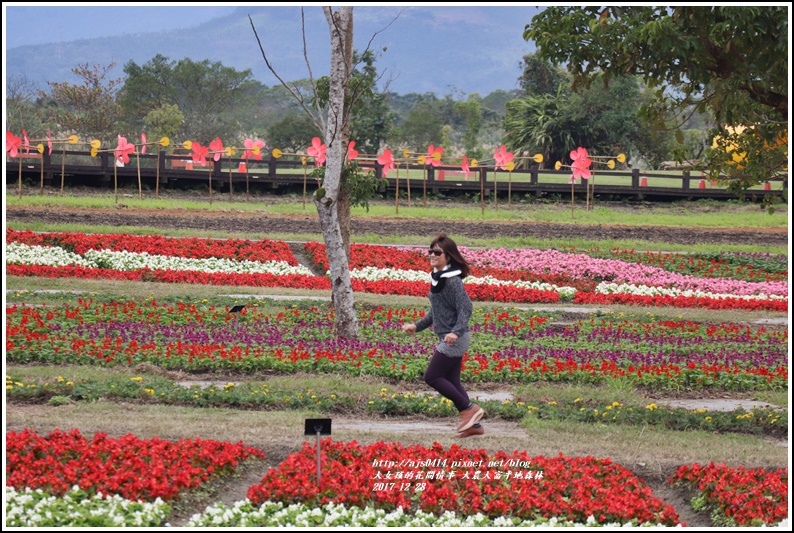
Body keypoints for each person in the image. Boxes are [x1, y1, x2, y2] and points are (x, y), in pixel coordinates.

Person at [401, 233, 485, 438]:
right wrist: (417, 326)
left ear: (448, 256)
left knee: (432, 376)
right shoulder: (438, 278)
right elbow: (436, 311)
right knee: (453, 381)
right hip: (447, 337)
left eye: (437, 252)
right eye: (430, 251)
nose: (432, 255)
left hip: (457, 338)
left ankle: (469, 410)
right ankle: (474, 427)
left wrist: (455, 332)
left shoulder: (453, 280)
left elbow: (466, 308)